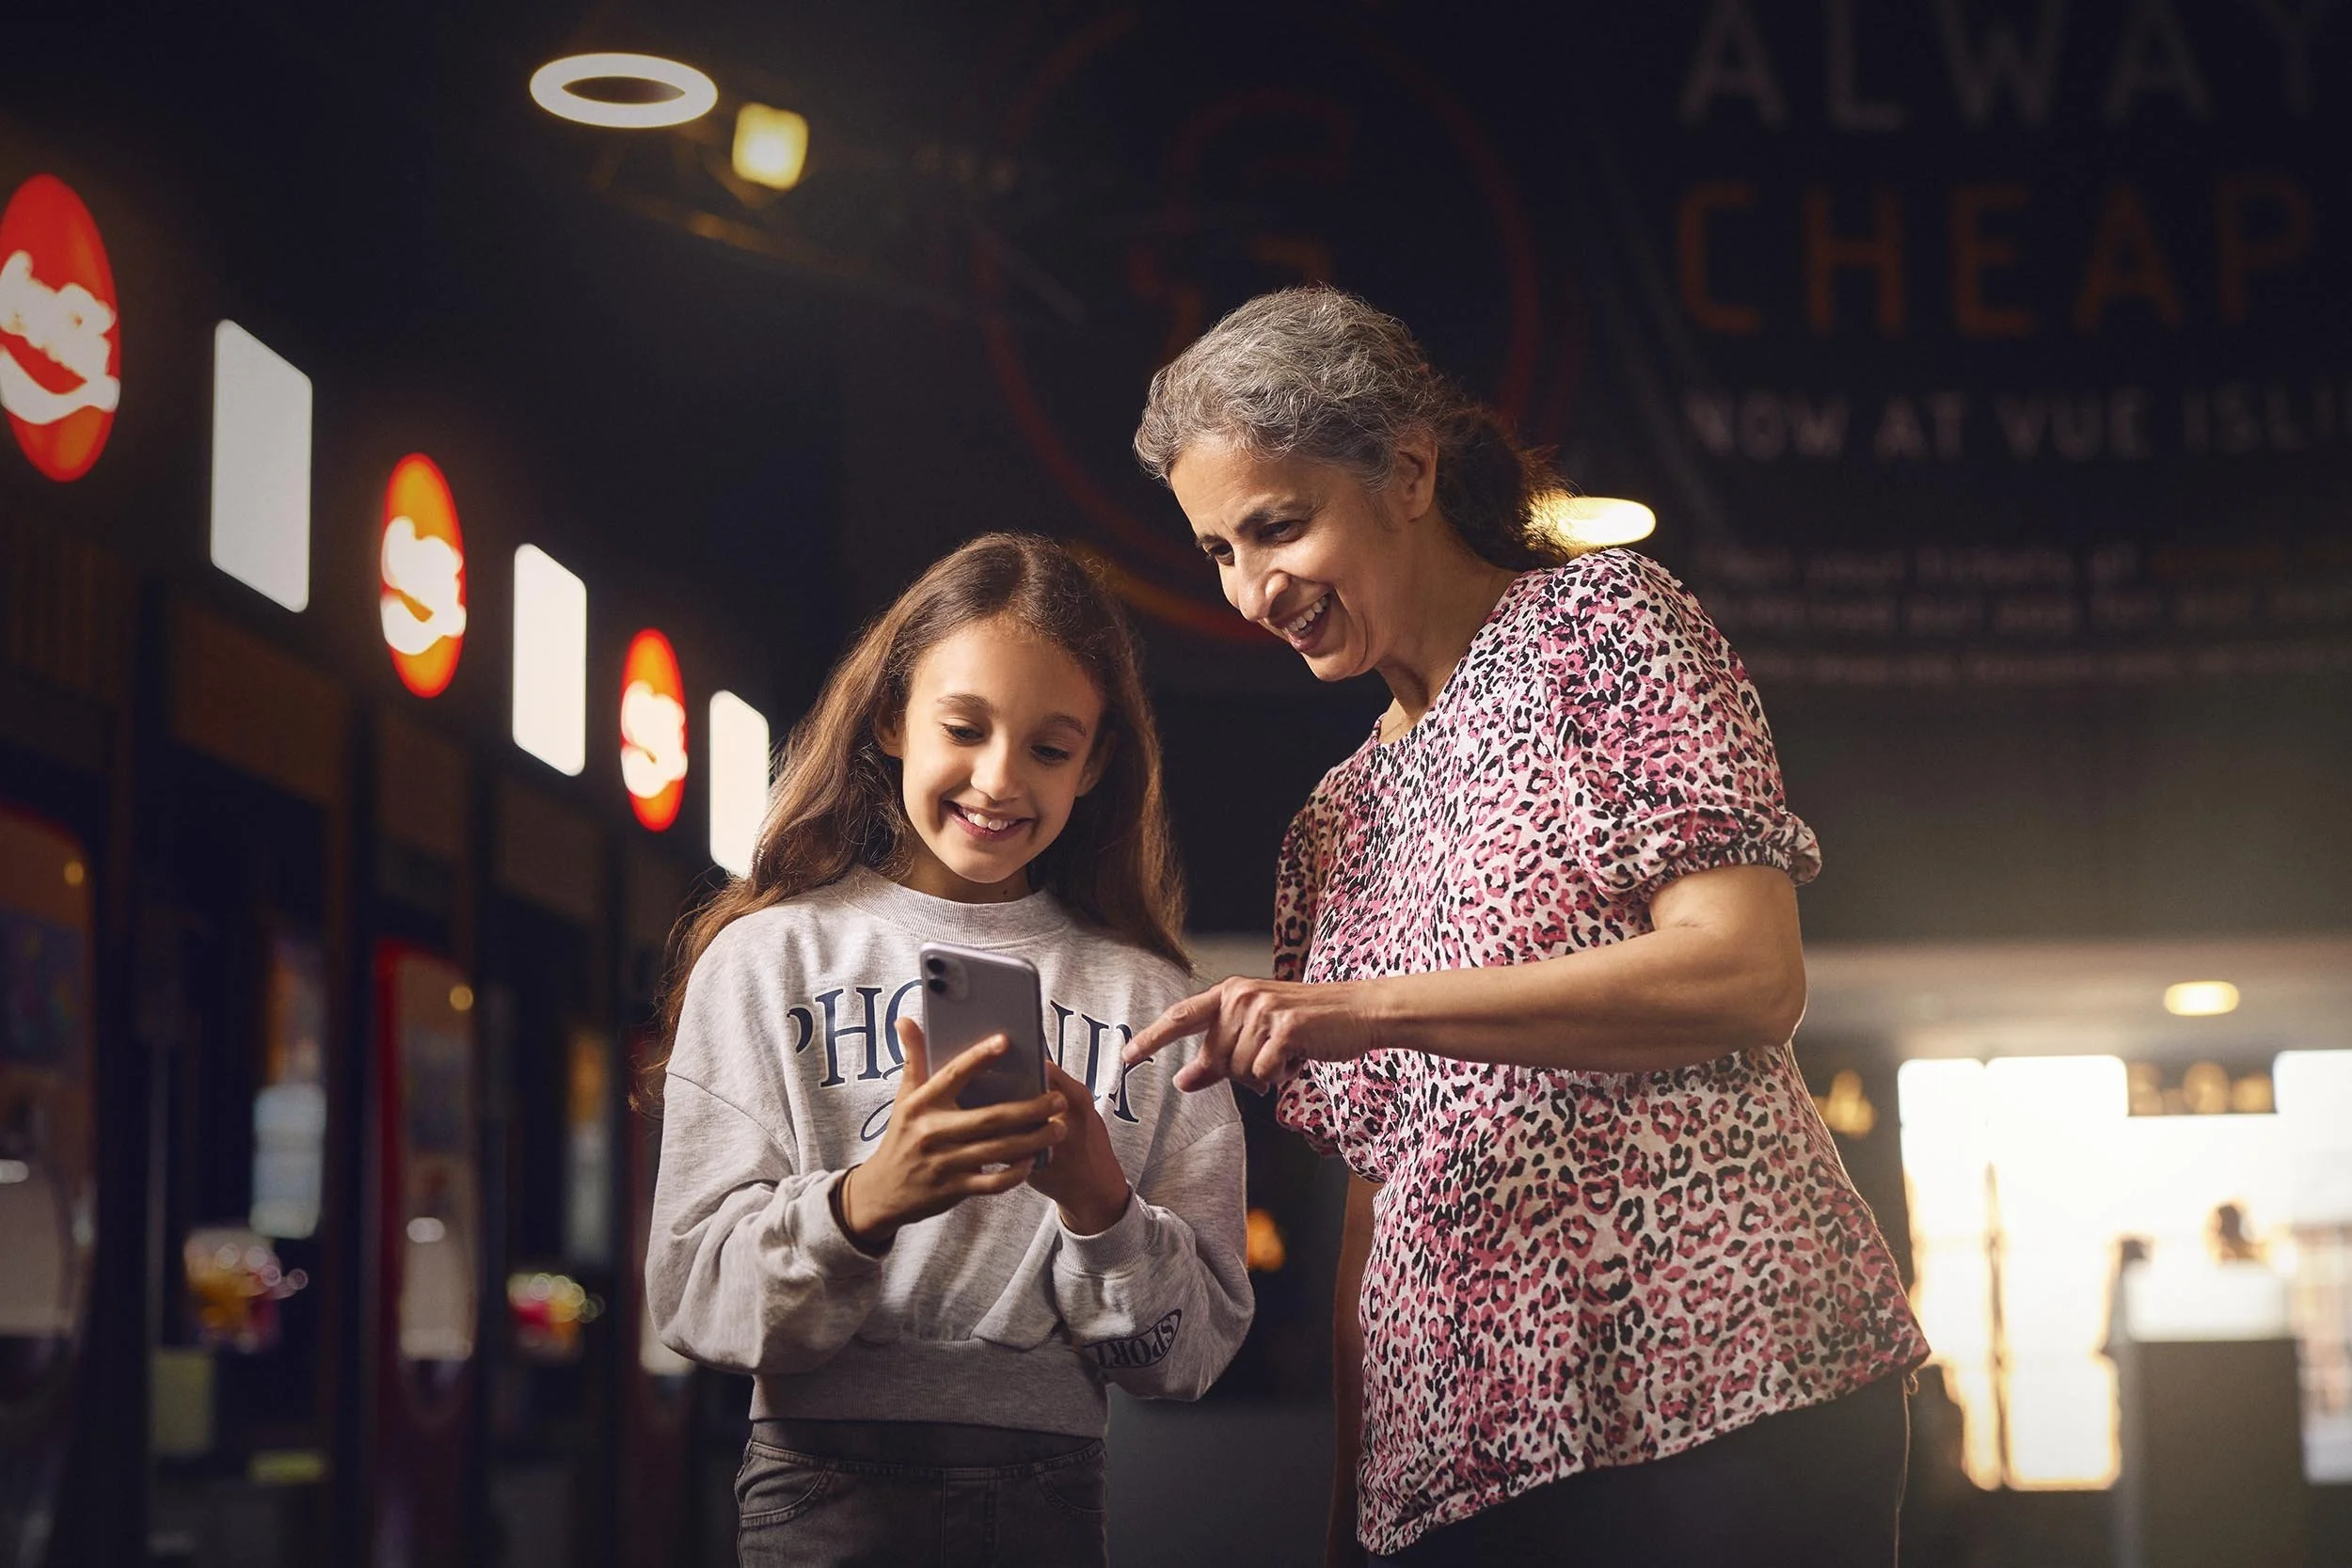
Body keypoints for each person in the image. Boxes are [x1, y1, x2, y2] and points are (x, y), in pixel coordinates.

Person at [1122, 287, 1928, 1567]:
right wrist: (1350, 1504)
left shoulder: (1603, 629)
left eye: (1279, 527)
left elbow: (1748, 970)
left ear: (1406, 468)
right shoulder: (1328, 826)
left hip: (1729, 1379)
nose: (1253, 590)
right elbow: (1372, 1210)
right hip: (1459, 1461)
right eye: (1220, 550)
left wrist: (1367, 1007)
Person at [646, 533, 1253, 1568]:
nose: (998, 777)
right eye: (963, 726)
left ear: (1096, 762)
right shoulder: (767, 958)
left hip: (1050, 1490)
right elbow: (693, 1294)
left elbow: (1186, 1355)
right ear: (890, 716)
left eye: (1050, 748)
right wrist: (864, 1201)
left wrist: (1100, 1204)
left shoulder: (1149, 998)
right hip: (813, 1483)